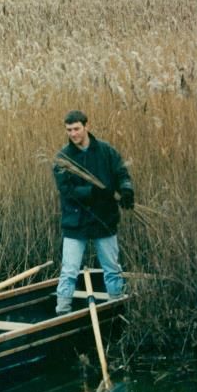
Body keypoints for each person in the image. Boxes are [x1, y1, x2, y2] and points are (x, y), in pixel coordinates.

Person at [53, 110, 135, 314]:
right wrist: (92, 192)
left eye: (77, 129)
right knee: (69, 271)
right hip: (76, 221)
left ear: (86, 126)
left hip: (104, 219)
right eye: (69, 130)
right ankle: (62, 310)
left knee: (112, 268)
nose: (73, 134)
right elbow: (66, 190)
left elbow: (122, 173)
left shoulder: (106, 152)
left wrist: (126, 190)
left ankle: (116, 305)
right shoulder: (63, 158)